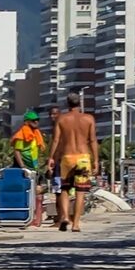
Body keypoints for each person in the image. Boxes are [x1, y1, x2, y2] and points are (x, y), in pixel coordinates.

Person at [53, 93, 99, 234]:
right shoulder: (88, 118)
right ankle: (76, 224)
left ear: (67, 104)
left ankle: (65, 216)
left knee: (65, 190)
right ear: (80, 103)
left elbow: (56, 140)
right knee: (80, 192)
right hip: (83, 158)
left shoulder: (62, 119)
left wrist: (51, 158)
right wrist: (95, 160)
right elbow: (92, 140)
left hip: (67, 157)